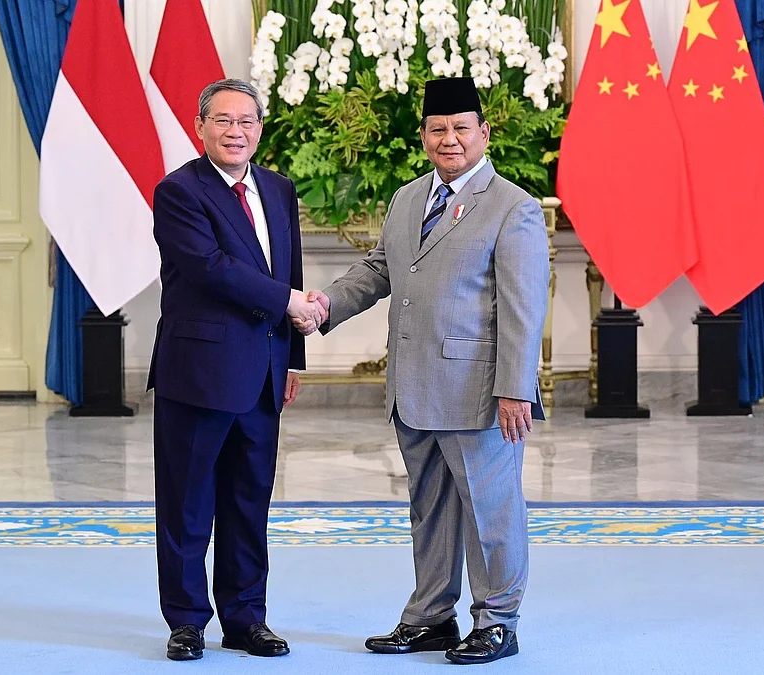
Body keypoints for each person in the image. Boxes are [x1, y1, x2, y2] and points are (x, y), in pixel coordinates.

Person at [297, 76, 549, 665]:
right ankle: (432, 616)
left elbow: (522, 310)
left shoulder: (514, 209)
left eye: (462, 128)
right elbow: (379, 270)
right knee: (429, 508)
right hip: (414, 387)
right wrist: (326, 305)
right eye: (439, 129)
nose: (450, 139)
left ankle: (497, 622)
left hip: (478, 393)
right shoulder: (409, 199)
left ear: (484, 133)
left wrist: (515, 389)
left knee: (491, 513)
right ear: (424, 135)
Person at [147, 78, 325, 662]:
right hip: (198, 374)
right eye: (223, 121)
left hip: (264, 377)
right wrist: (290, 303)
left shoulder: (278, 188)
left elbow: (287, 267)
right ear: (201, 128)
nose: (236, 131)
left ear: (260, 128)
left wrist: (292, 358)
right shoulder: (178, 192)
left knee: (250, 504)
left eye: (247, 121)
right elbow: (211, 267)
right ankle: (187, 621)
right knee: (188, 503)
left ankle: (247, 619)